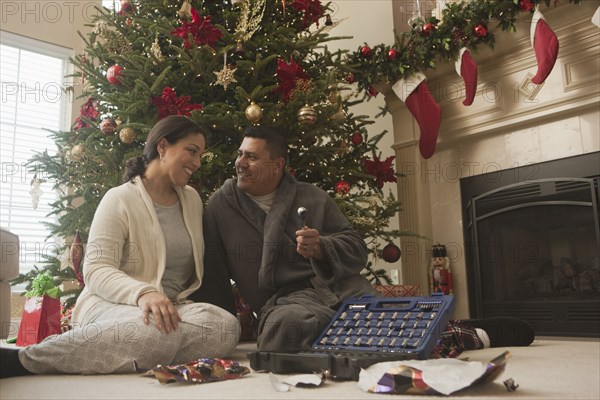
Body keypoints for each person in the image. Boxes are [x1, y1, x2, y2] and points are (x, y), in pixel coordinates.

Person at [190, 125, 535, 355]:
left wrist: (323, 247)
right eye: (240, 154)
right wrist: (221, 329)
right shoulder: (221, 206)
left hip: (342, 290)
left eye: (251, 157)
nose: (240, 163)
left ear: (277, 164)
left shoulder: (313, 197)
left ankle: (472, 334)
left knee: (374, 313)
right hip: (285, 304)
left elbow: (356, 250)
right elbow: (213, 269)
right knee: (288, 329)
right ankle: (445, 334)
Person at [1, 115, 240, 379]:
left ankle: (139, 349)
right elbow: (96, 269)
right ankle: (27, 359)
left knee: (225, 327)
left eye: (199, 155)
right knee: (156, 333)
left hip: (171, 308)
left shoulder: (192, 200)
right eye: (191, 151)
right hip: (107, 304)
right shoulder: (119, 198)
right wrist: (143, 294)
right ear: (162, 147)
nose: (196, 163)